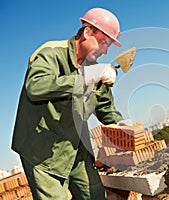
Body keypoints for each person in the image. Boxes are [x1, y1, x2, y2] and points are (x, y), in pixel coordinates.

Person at [11, 7, 125, 199]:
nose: (105, 51)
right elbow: (36, 86)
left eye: (109, 46)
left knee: (95, 195)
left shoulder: (94, 68)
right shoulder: (51, 53)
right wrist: (85, 76)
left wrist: (121, 124)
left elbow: (105, 108)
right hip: (42, 150)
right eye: (103, 43)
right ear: (87, 32)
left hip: (76, 147)